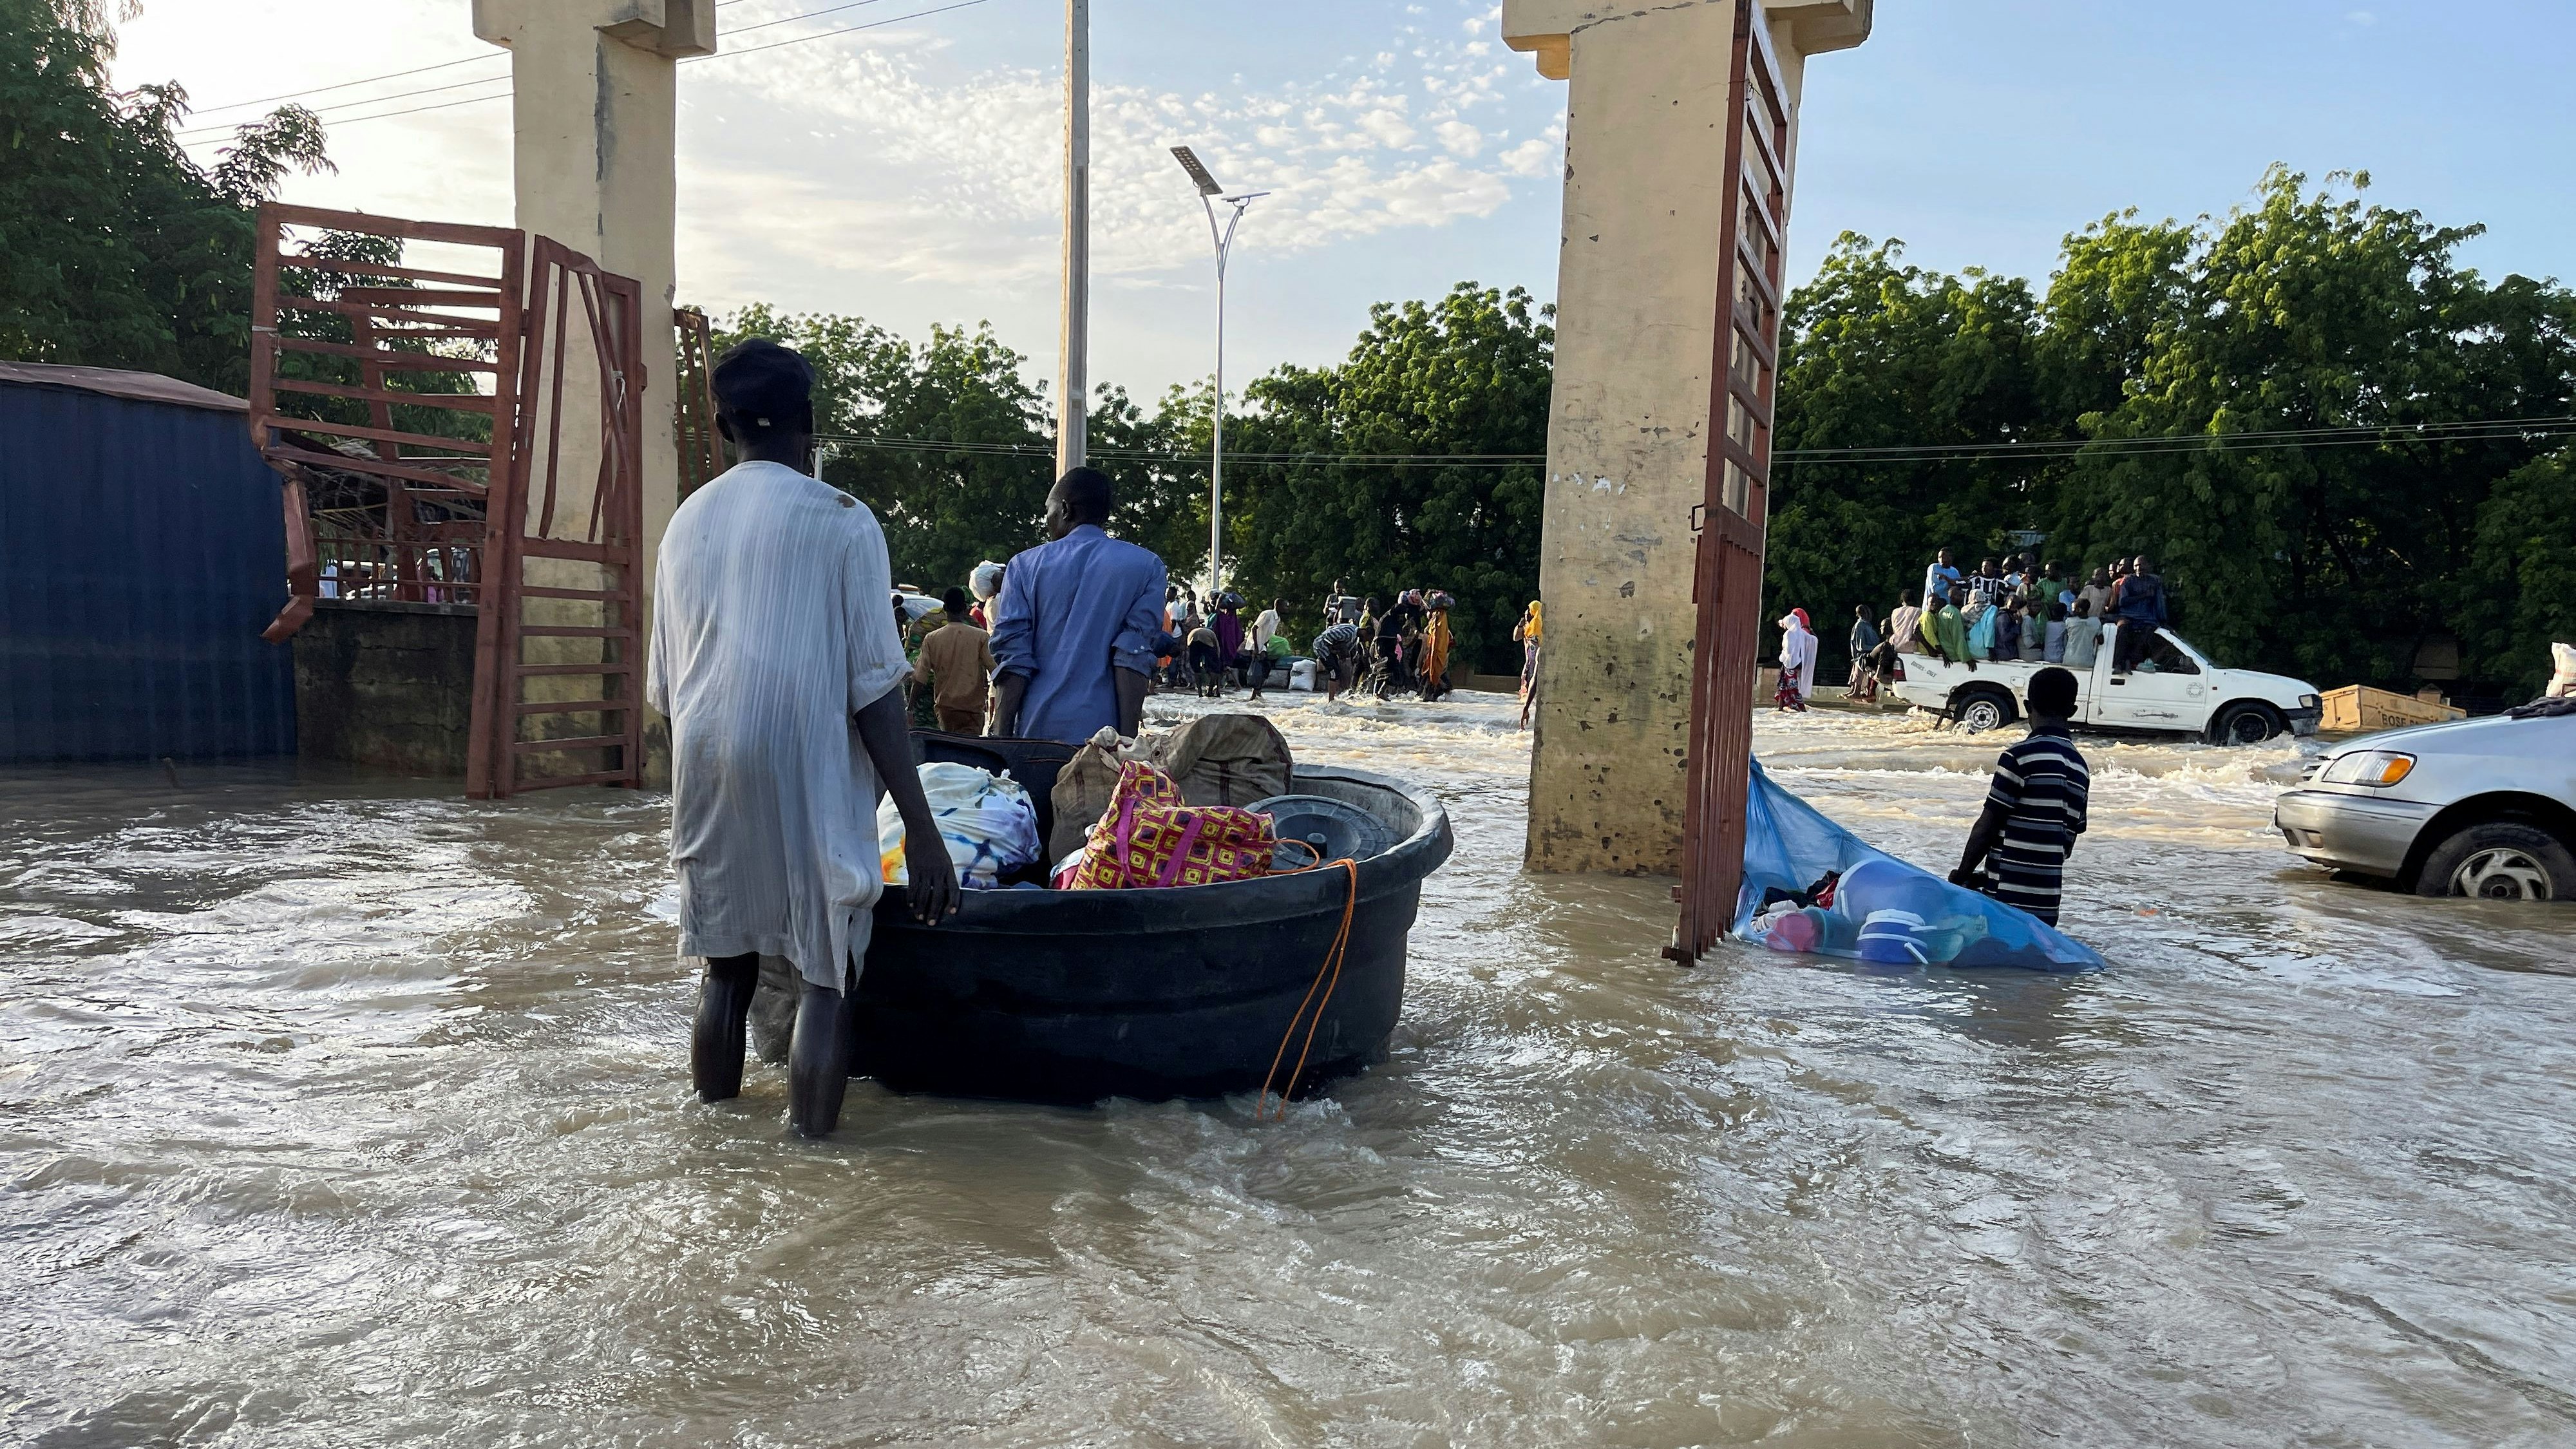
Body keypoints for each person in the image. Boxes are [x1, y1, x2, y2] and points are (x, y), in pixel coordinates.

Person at [647, 338, 960, 1139]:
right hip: (800, 757)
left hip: (703, 757)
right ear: (811, 422)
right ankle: (811, 1162)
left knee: (727, 968)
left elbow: (665, 689)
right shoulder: (843, 521)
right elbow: (874, 693)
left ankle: (710, 1144)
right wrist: (922, 832)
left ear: (722, 426)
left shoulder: (683, 526)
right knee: (825, 975)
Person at [989, 466, 1169, 744]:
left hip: (1036, 734)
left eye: (1048, 509)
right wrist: (1127, 742)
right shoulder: (1147, 566)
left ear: (1065, 509)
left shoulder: (1024, 566)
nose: (1046, 518)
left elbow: (1014, 660)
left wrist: (1001, 742)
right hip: (1103, 738)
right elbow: (1131, 658)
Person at [1949, 665, 2090, 927]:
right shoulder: (2080, 768)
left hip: (2004, 901)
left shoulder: (2018, 757)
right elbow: (2064, 843)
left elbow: (1987, 826)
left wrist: (1963, 874)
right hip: (2047, 908)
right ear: (2072, 711)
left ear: (2027, 707)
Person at [911, 585, 996, 734]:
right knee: (970, 749)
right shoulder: (980, 636)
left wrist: (910, 707)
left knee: (951, 749)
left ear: (944, 608)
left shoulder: (932, 639)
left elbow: (919, 678)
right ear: (964, 608)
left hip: (946, 709)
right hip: (972, 709)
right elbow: (994, 670)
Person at [1313, 619, 1364, 702]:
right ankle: (1331, 700)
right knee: (1334, 672)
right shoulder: (1349, 632)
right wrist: (1331, 648)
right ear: (1364, 632)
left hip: (1328, 648)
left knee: (1337, 672)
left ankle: (1333, 697)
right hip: (1322, 646)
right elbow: (1329, 634)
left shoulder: (1354, 635)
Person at [1776, 609, 1818, 705]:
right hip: (1799, 664)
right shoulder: (1805, 634)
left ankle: (1786, 707)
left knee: (1784, 686)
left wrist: (1782, 658)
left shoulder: (1790, 633)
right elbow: (1814, 640)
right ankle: (1798, 707)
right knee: (1793, 687)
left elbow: (1787, 650)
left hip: (1789, 664)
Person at [1420, 595, 1454, 701]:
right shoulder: (1441, 618)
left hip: (1435, 660)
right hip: (1436, 660)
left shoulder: (1438, 619)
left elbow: (1436, 643)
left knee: (1431, 683)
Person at [1928, 587, 1971, 667]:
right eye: (1960, 596)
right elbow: (1958, 637)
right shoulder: (1955, 613)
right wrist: (1966, 659)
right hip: (1953, 654)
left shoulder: (1943, 611)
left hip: (1945, 650)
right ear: (1952, 597)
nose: (1963, 598)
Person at [2063, 595, 2102, 670]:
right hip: (2087, 661)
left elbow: (2065, 638)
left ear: (2079, 610)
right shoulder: (2096, 621)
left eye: (2074, 609)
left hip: (2069, 659)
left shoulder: (2069, 621)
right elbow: (2101, 641)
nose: (2072, 611)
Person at [1848, 603, 1881, 687]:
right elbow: (1861, 646)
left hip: (1863, 654)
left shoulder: (1866, 625)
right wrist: (1876, 649)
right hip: (1863, 655)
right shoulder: (1861, 625)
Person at [1922, 549, 1962, 613]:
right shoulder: (1934, 568)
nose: (1941, 560)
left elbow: (1959, 587)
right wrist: (1949, 582)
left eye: (1944, 558)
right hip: (1934, 610)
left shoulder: (1955, 571)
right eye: (1940, 557)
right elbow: (1935, 590)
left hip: (1950, 609)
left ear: (1950, 558)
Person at [1887, 589, 1923, 654]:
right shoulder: (1917, 611)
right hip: (1910, 646)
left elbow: (1894, 630)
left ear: (1902, 601)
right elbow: (1916, 630)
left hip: (1896, 645)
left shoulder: (1895, 612)